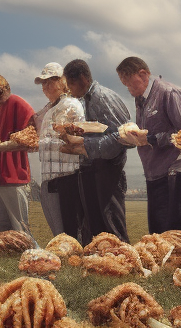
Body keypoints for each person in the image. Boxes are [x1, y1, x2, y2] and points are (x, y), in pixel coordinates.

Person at [116, 57, 181, 234]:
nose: (129, 90)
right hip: (155, 174)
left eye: (130, 84)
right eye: (125, 86)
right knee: (158, 234)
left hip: (177, 172)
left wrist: (151, 139)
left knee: (178, 235)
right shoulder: (141, 99)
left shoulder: (170, 93)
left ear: (143, 74)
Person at [58, 59, 131, 241]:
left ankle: (122, 265)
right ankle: (100, 267)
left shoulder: (104, 97)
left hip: (108, 171)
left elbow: (123, 136)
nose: (70, 91)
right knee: (94, 228)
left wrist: (84, 146)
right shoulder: (84, 100)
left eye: (71, 85)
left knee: (111, 228)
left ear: (82, 79)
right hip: (90, 169)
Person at [33, 63, 85, 239]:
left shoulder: (71, 105)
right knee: (58, 232)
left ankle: (75, 262)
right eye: (43, 83)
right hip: (49, 176)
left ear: (63, 81)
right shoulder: (49, 109)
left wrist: (38, 142)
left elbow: (75, 137)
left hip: (66, 177)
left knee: (70, 231)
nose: (45, 86)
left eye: (50, 81)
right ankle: (65, 261)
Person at [0, 75, 34, 236]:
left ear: (8, 89)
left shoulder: (17, 103)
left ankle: (31, 256)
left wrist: (1, 146)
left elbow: (31, 134)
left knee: (20, 226)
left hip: (14, 175)